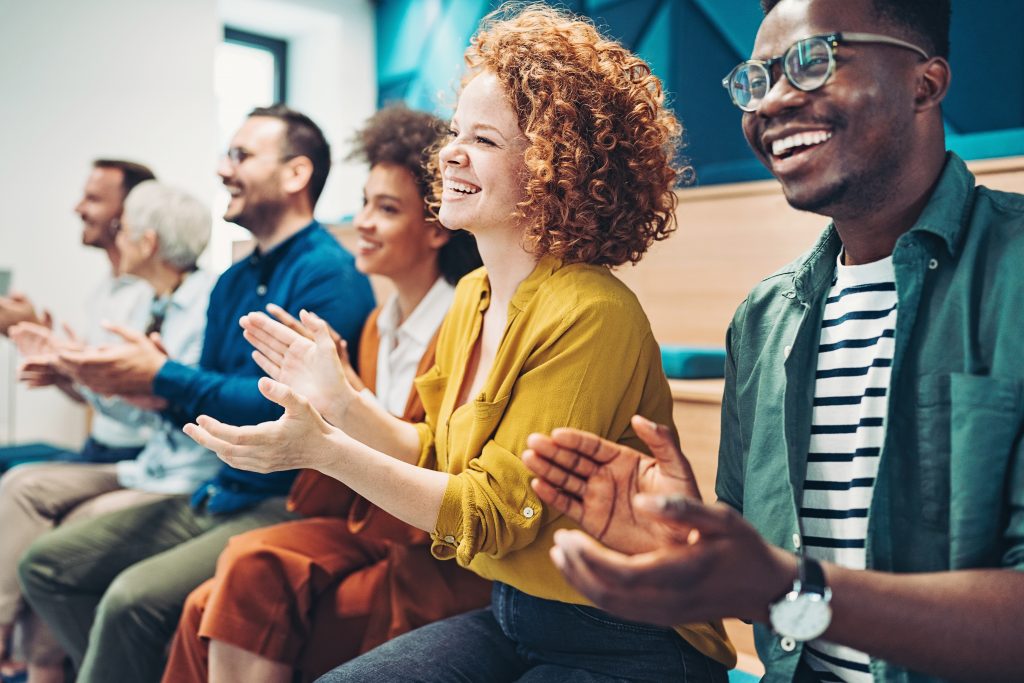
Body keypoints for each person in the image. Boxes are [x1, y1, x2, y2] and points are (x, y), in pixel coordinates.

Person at [187, 6, 735, 682]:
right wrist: (344, 402)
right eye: (455, 132)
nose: (449, 153)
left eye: (484, 139)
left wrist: (323, 450)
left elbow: (495, 514)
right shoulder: (475, 294)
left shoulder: (593, 311)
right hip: (513, 610)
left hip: (624, 633)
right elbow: (439, 455)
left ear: (556, 167)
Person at [525, 0, 1024, 681]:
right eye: (756, 80)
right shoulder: (764, 319)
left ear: (925, 83)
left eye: (813, 62)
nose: (775, 102)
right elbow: (767, 585)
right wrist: (685, 539)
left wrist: (792, 586)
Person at [18, 105, 375, 683]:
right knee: (48, 565)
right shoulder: (234, 280)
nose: (221, 169)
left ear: (295, 175)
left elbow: (281, 411)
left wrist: (160, 378)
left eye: (240, 155)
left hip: (278, 501)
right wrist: (137, 380)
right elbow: (206, 397)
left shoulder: (328, 275)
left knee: (130, 600)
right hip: (217, 489)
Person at [161, 104, 489, 683]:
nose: (361, 222)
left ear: (437, 226)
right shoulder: (373, 328)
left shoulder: (462, 326)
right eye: (363, 202)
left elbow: (439, 466)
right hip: (368, 517)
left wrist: (346, 399)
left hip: (422, 540)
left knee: (243, 572)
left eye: (385, 209)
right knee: (200, 606)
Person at [0, 180, 218, 683]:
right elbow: (135, 407)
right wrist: (73, 372)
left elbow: (173, 405)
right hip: (147, 464)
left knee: (66, 532)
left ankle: (47, 668)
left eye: (127, 228)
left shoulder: (207, 305)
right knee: (20, 483)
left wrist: (98, 377)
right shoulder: (149, 301)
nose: (119, 237)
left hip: (183, 475)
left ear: (148, 244)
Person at [0, 159, 156, 473]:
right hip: (97, 446)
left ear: (127, 214)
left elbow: (126, 397)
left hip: (132, 453)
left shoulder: (152, 296)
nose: (78, 208)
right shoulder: (104, 290)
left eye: (93, 199)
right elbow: (84, 393)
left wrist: (54, 349)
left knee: (17, 476)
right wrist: (37, 341)